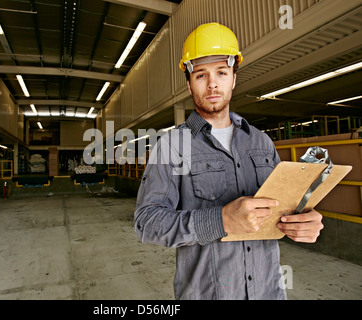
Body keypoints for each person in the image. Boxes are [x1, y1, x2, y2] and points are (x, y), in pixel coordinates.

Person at [134, 23, 324, 300]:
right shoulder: (173, 146)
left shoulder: (261, 142)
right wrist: (219, 220)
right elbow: (146, 223)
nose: (212, 84)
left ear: (233, 79)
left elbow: (286, 207)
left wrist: (305, 220)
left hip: (268, 292)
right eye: (201, 75)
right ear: (189, 83)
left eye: (221, 72)